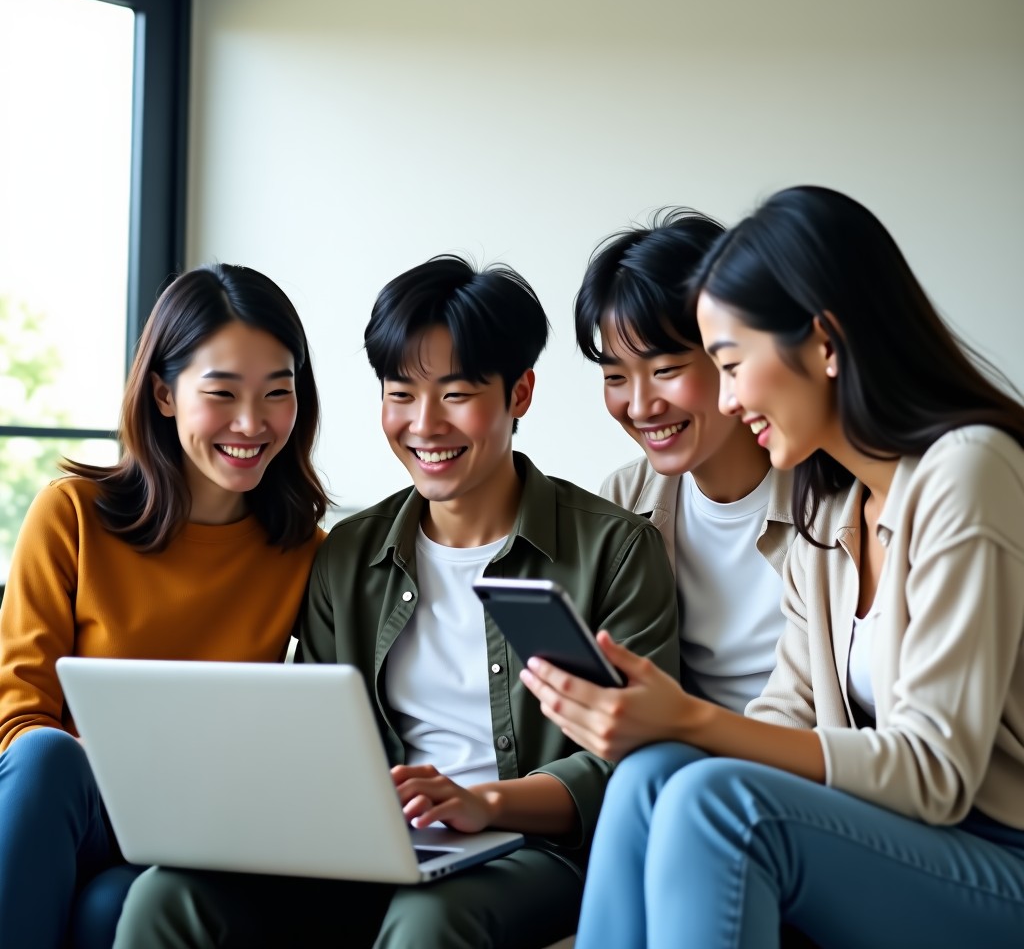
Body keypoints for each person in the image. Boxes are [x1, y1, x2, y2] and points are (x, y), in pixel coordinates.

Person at [112, 254, 679, 949]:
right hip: (371, 846)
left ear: (519, 394)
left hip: (533, 851)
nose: (425, 424)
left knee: (430, 921)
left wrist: (483, 803)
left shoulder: (614, 551)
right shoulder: (349, 555)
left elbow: (629, 757)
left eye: (457, 393)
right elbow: (316, 737)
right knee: (169, 896)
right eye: (401, 393)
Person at [522, 185, 1024, 947]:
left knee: (717, 801)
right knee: (650, 778)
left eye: (728, 364)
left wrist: (688, 717)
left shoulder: (967, 471)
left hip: (997, 858)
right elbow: (785, 715)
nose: (726, 399)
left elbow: (934, 771)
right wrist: (659, 734)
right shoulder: (831, 506)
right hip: (899, 838)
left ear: (824, 342)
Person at [0, 264, 329, 949]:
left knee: (110, 914)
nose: (252, 422)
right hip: (71, 805)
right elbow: (18, 714)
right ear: (164, 393)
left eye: (277, 392)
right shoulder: (72, 515)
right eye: (222, 393)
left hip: (196, 831)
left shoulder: (306, 551)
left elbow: (315, 732)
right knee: (47, 757)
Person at [573, 209, 793, 739]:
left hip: (807, 770)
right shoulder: (626, 498)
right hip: (683, 764)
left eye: (665, 370)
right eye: (615, 377)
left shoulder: (832, 496)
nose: (641, 405)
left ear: (732, 353)